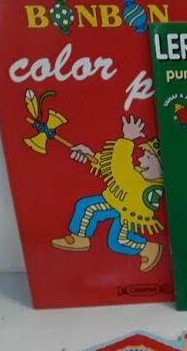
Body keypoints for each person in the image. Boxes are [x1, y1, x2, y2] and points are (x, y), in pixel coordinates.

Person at [51, 115, 164, 272]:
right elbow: (113, 170)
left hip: (130, 214)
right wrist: (90, 155)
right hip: (118, 202)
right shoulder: (141, 175)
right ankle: (79, 238)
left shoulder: (150, 186)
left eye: (148, 157)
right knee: (87, 207)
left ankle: (147, 247)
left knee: (118, 241)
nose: (140, 160)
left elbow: (121, 171)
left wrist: (127, 140)